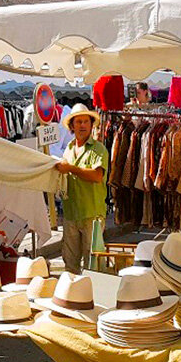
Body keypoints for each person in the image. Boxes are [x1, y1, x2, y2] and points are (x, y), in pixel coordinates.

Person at [54, 104, 109, 274]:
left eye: (86, 121)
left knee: (94, 263)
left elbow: (96, 176)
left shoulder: (99, 149)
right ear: (72, 126)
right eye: (79, 122)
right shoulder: (69, 149)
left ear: (92, 125)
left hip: (91, 214)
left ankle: (96, 298)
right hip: (71, 213)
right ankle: (73, 297)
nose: (83, 125)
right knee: (70, 263)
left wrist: (70, 168)